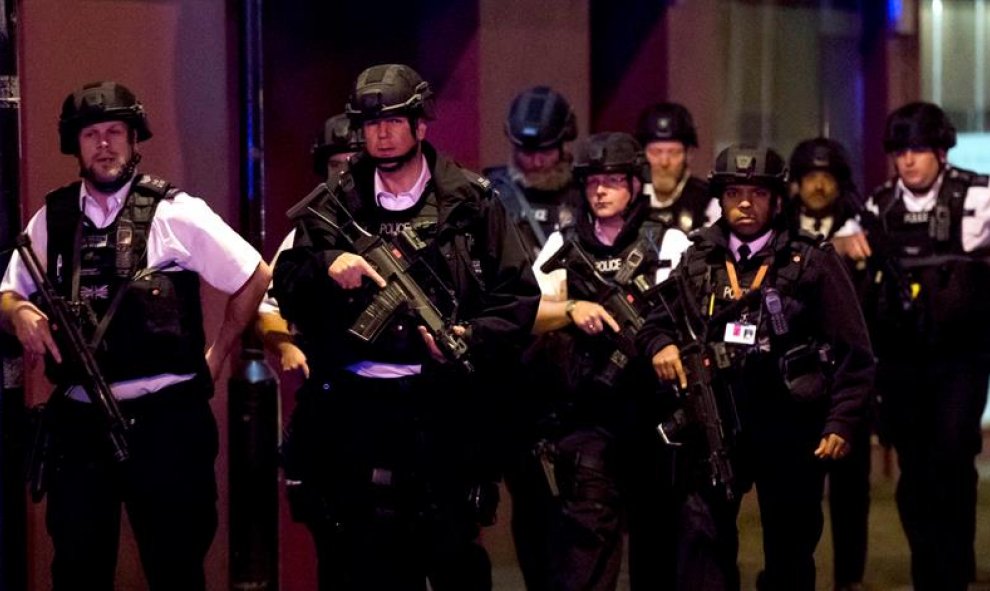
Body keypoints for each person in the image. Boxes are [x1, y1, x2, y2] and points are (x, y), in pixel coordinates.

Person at [271, 63, 540, 590]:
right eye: (371, 124)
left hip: (443, 407)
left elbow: (517, 296)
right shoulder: (337, 201)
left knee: (453, 555)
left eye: (395, 120)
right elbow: (287, 278)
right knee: (366, 561)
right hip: (355, 407)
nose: (383, 133)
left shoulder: (471, 200)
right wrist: (328, 265)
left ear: (422, 125)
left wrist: (470, 338)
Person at [0, 80, 270, 590]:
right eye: (91, 134)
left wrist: (216, 356)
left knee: (175, 567)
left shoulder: (175, 212)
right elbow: (8, 291)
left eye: (115, 132)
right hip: (80, 421)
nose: (103, 144)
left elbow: (254, 275)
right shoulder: (52, 218)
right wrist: (20, 315)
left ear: (133, 138)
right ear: (76, 145)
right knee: (78, 569)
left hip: (165, 421)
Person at [637, 144, 874, 591]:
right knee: (703, 541)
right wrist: (661, 346)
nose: (744, 203)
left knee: (789, 550)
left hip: (790, 424)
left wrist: (841, 422)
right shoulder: (698, 258)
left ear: (777, 200)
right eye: (733, 193)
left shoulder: (810, 261)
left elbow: (855, 354)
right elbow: (654, 324)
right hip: (716, 425)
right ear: (720, 199)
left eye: (757, 193)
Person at [529, 132, 691, 590]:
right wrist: (570, 309)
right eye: (593, 180)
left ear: (635, 185)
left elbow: (686, 318)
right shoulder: (564, 244)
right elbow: (530, 313)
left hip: (654, 418)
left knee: (657, 553)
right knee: (585, 556)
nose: (600, 190)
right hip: (588, 417)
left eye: (613, 180)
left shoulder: (668, 242)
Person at [853, 102, 990, 591]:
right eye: (898, 151)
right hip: (902, 360)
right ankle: (929, 571)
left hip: (960, 358)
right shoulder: (878, 205)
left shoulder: (977, 194)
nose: (907, 160)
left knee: (952, 457)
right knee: (914, 469)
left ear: (939, 149)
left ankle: (953, 570)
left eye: (916, 150)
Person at [788, 137, 872, 591]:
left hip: (847, 374)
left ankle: (849, 578)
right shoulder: (780, 230)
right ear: (796, 184)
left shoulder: (865, 226)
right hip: (796, 376)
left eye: (827, 178)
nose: (819, 186)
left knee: (851, 489)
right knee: (797, 489)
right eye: (810, 177)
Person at [256, 112, 364, 378]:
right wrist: (286, 348)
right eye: (334, 165)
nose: (343, 173)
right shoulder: (306, 236)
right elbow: (267, 306)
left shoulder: (397, 223)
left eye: (352, 163)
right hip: (331, 378)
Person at [485, 86, 583, 262]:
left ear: (563, 147)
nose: (537, 163)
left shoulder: (586, 191)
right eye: (527, 154)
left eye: (545, 153)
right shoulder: (492, 193)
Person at [635, 102, 719, 233]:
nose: (664, 162)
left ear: (688, 154)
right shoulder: (630, 197)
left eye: (673, 152)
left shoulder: (708, 201)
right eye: (656, 152)